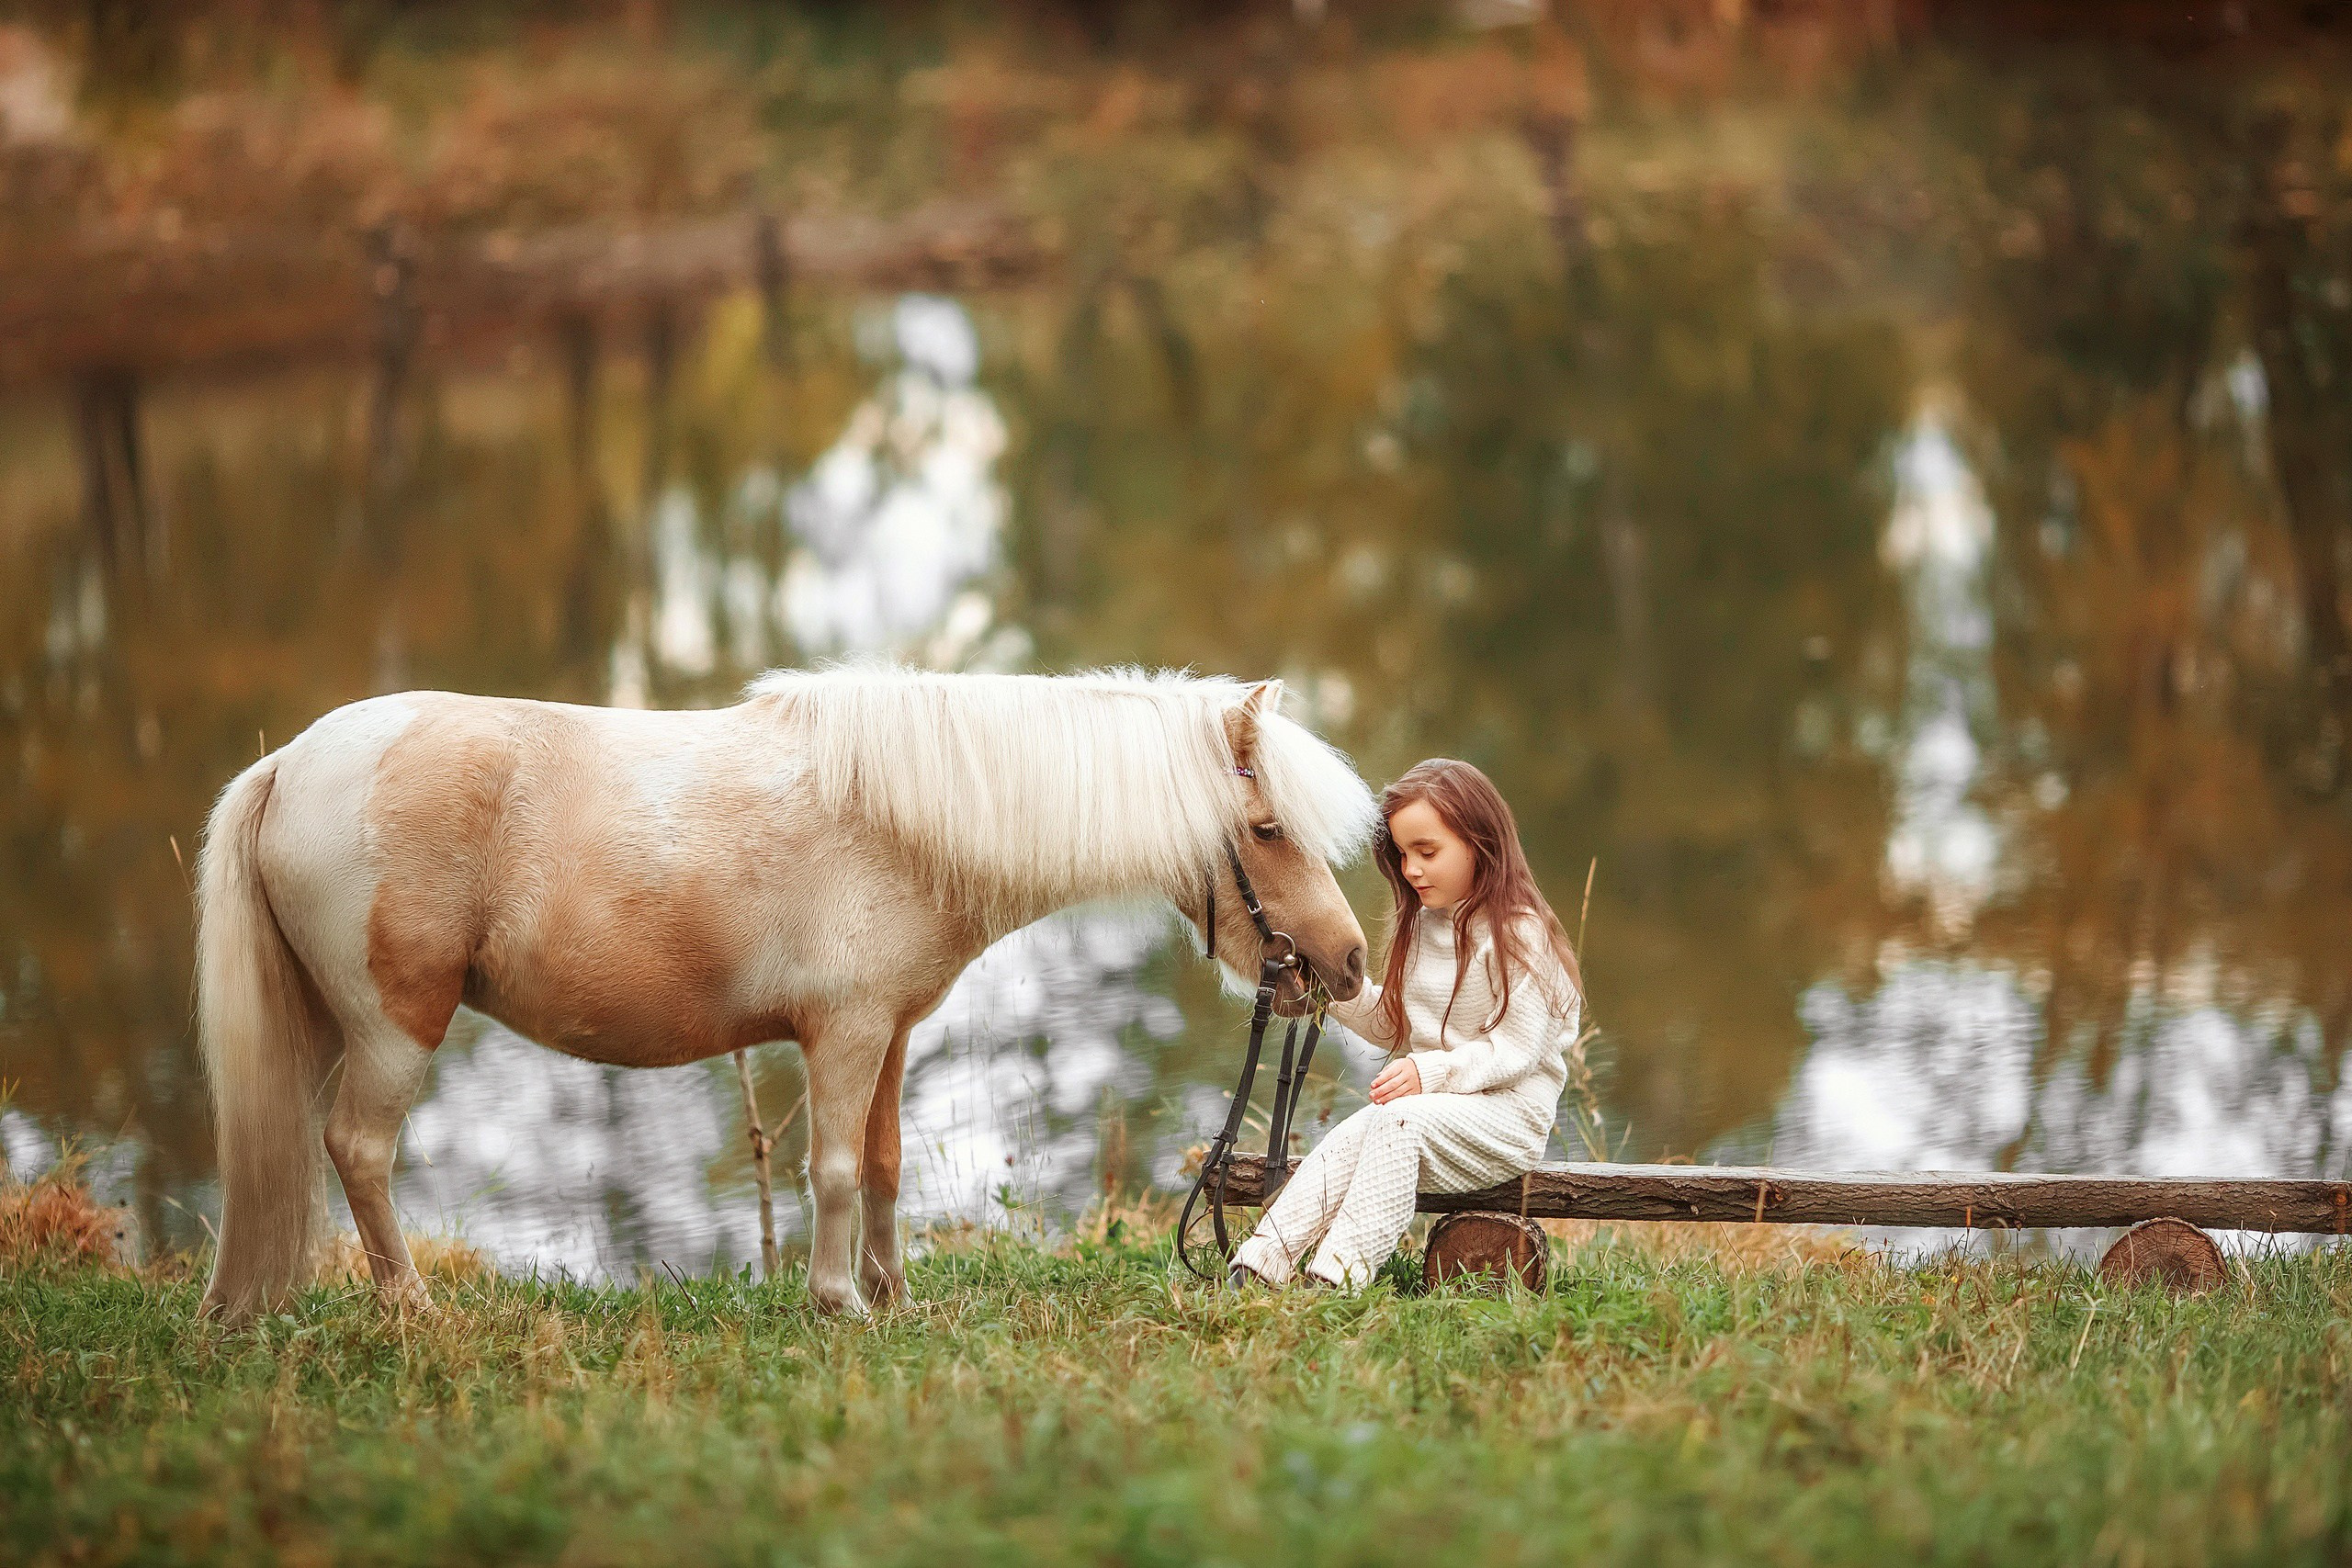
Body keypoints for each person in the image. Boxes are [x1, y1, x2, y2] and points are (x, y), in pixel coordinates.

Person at [1228, 757, 1583, 1291]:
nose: (1411, 869)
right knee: (1357, 1130)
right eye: (1401, 854)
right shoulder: (1421, 927)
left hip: (1510, 1117)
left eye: (1428, 852)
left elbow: (1515, 1051)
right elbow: (1393, 1023)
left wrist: (1428, 1072)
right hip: (1437, 1111)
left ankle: (1335, 1280)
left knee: (1398, 1120)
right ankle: (1260, 1264)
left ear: (1480, 843)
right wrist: (1327, 992)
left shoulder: (1519, 934)